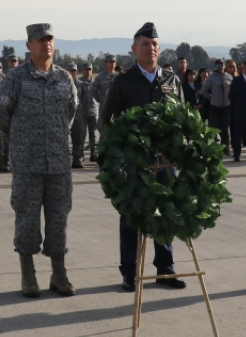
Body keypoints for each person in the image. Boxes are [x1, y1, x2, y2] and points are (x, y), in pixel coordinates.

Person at [99, 22, 188, 292]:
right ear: (134, 49)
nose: (151, 49)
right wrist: (115, 160)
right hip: (134, 163)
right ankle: (129, 272)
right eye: (145, 44)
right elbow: (107, 122)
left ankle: (166, 269)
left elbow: (184, 119)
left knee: (165, 214)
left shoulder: (171, 80)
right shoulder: (123, 82)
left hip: (166, 163)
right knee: (131, 215)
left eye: (155, 45)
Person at [0, 23, 78, 297]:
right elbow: (1, 118)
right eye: (40, 39)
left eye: (50, 39)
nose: (46, 43)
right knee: (27, 219)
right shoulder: (15, 78)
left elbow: (70, 114)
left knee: (58, 219)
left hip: (58, 163)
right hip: (27, 164)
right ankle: (28, 276)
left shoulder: (65, 78)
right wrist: (20, 143)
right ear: (29, 45)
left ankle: (59, 273)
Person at [200, 59, 233, 149]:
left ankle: (225, 148)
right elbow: (203, 91)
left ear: (224, 66)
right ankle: (213, 147)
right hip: (215, 106)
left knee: (225, 129)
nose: (220, 67)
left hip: (226, 105)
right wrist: (212, 98)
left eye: (221, 65)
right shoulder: (211, 77)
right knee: (214, 128)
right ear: (215, 67)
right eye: (218, 66)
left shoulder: (229, 77)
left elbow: (233, 91)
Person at [77, 63, 99, 162]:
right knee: (82, 134)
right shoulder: (79, 82)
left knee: (93, 134)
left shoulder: (95, 82)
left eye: (90, 69)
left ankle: (93, 153)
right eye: (86, 69)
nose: (88, 71)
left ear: (92, 70)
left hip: (93, 111)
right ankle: (81, 155)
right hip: (82, 112)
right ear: (83, 70)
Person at [92, 54, 118, 122]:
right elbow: (94, 90)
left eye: (114, 62)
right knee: (103, 126)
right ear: (105, 63)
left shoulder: (119, 77)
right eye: (110, 62)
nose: (112, 64)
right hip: (104, 107)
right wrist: (100, 99)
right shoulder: (100, 77)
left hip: (117, 106)